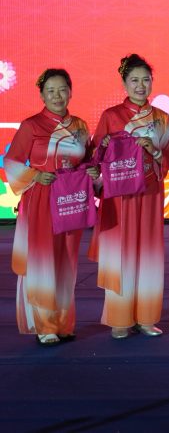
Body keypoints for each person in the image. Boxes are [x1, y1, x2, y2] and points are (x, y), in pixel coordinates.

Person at [90, 54, 169, 339]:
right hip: (119, 197)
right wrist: (104, 147)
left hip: (149, 193)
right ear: (124, 83)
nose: (141, 86)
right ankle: (120, 318)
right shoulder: (111, 116)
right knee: (120, 254)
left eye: (146, 80)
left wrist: (154, 149)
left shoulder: (162, 118)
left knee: (148, 253)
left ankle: (146, 317)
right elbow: (95, 156)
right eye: (135, 80)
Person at [6, 69, 91, 345]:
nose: (57, 96)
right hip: (42, 198)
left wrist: (91, 171)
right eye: (51, 91)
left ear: (71, 91)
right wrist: (35, 175)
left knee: (67, 261)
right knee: (44, 260)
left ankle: (63, 322)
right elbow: (11, 162)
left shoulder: (80, 126)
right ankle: (44, 325)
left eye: (62, 89)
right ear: (42, 95)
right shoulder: (31, 126)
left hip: (71, 200)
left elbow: (87, 160)